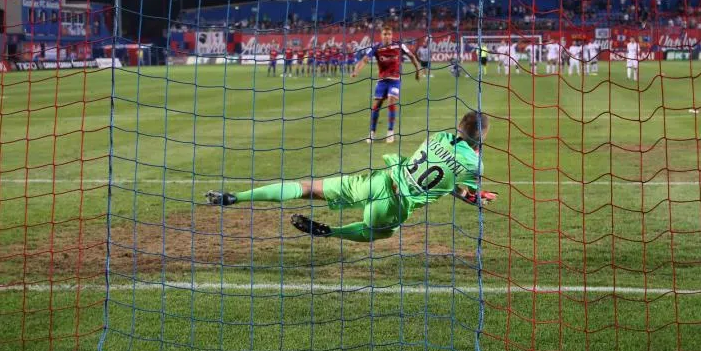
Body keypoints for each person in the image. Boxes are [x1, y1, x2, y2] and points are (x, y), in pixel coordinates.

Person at [204, 111, 498, 242]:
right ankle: (329, 232)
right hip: (394, 205)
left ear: (459, 125)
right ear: (482, 137)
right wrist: (476, 198)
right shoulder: (474, 165)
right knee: (374, 233)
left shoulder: (439, 137)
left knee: (308, 187)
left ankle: (236, 196)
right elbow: (458, 189)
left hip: (377, 181)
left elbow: (447, 174)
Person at [351, 27, 422, 143]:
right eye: (385, 34)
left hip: (395, 80)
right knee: (376, 106)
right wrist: (356, 71)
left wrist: (418, 70)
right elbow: (364, 60)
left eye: (389, 34)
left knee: (391, 100)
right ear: (381, 35)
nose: (387, 36)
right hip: (382, 81)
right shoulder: (376, 48)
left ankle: (390, 132)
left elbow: (412, 56)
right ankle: (372, 133)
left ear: (392, 35)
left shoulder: (399, 45)